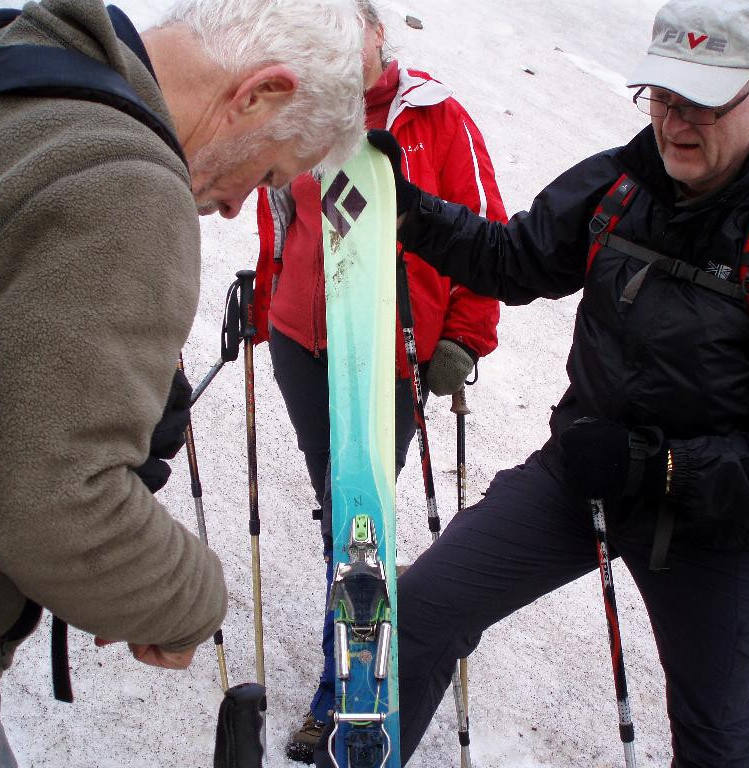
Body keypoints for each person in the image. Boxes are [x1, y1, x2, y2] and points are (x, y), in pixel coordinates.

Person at [324, 0, 749, 765]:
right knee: (421, 610)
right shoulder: (625, 184)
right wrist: (412, 213)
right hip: (580, 476)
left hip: (715, 528)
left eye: (704, 102)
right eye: (663, 96)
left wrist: (660, 468)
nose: (675, 122)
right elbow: (514, 257)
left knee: (721, 741)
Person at [0, 0, 364, 765]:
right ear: (258, 92)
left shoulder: (15, 51)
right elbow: (49, 497)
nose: (232, 209)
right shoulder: (127, 185)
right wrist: (191, 598)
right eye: (266, 174)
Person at [253, 0, 507, 761]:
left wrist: (465, 333)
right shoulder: (300, 111)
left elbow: (485, 230)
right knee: (344, 508)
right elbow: (277, 213)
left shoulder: (434, 118)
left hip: (391, 352)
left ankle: (343, 694)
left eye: (347, 23)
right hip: (302, 342)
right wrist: (266, 302)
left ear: (375, 32)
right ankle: (371, 638)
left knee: (354, 515)